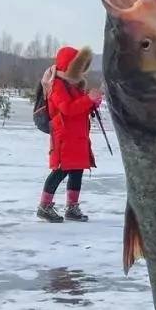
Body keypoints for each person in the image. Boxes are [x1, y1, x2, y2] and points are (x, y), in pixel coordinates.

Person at [37, 46, 101, 223]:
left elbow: (79, 107)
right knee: (60, 171)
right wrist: (88, 99)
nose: (80, 72)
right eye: (78, 67)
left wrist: (92, 102)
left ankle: (72, 207)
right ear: (69, 66)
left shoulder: (74, 85)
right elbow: (67, 108)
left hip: (78, 135)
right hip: (64, 136)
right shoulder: (57, 85)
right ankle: (44, 206)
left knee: (77, 170)